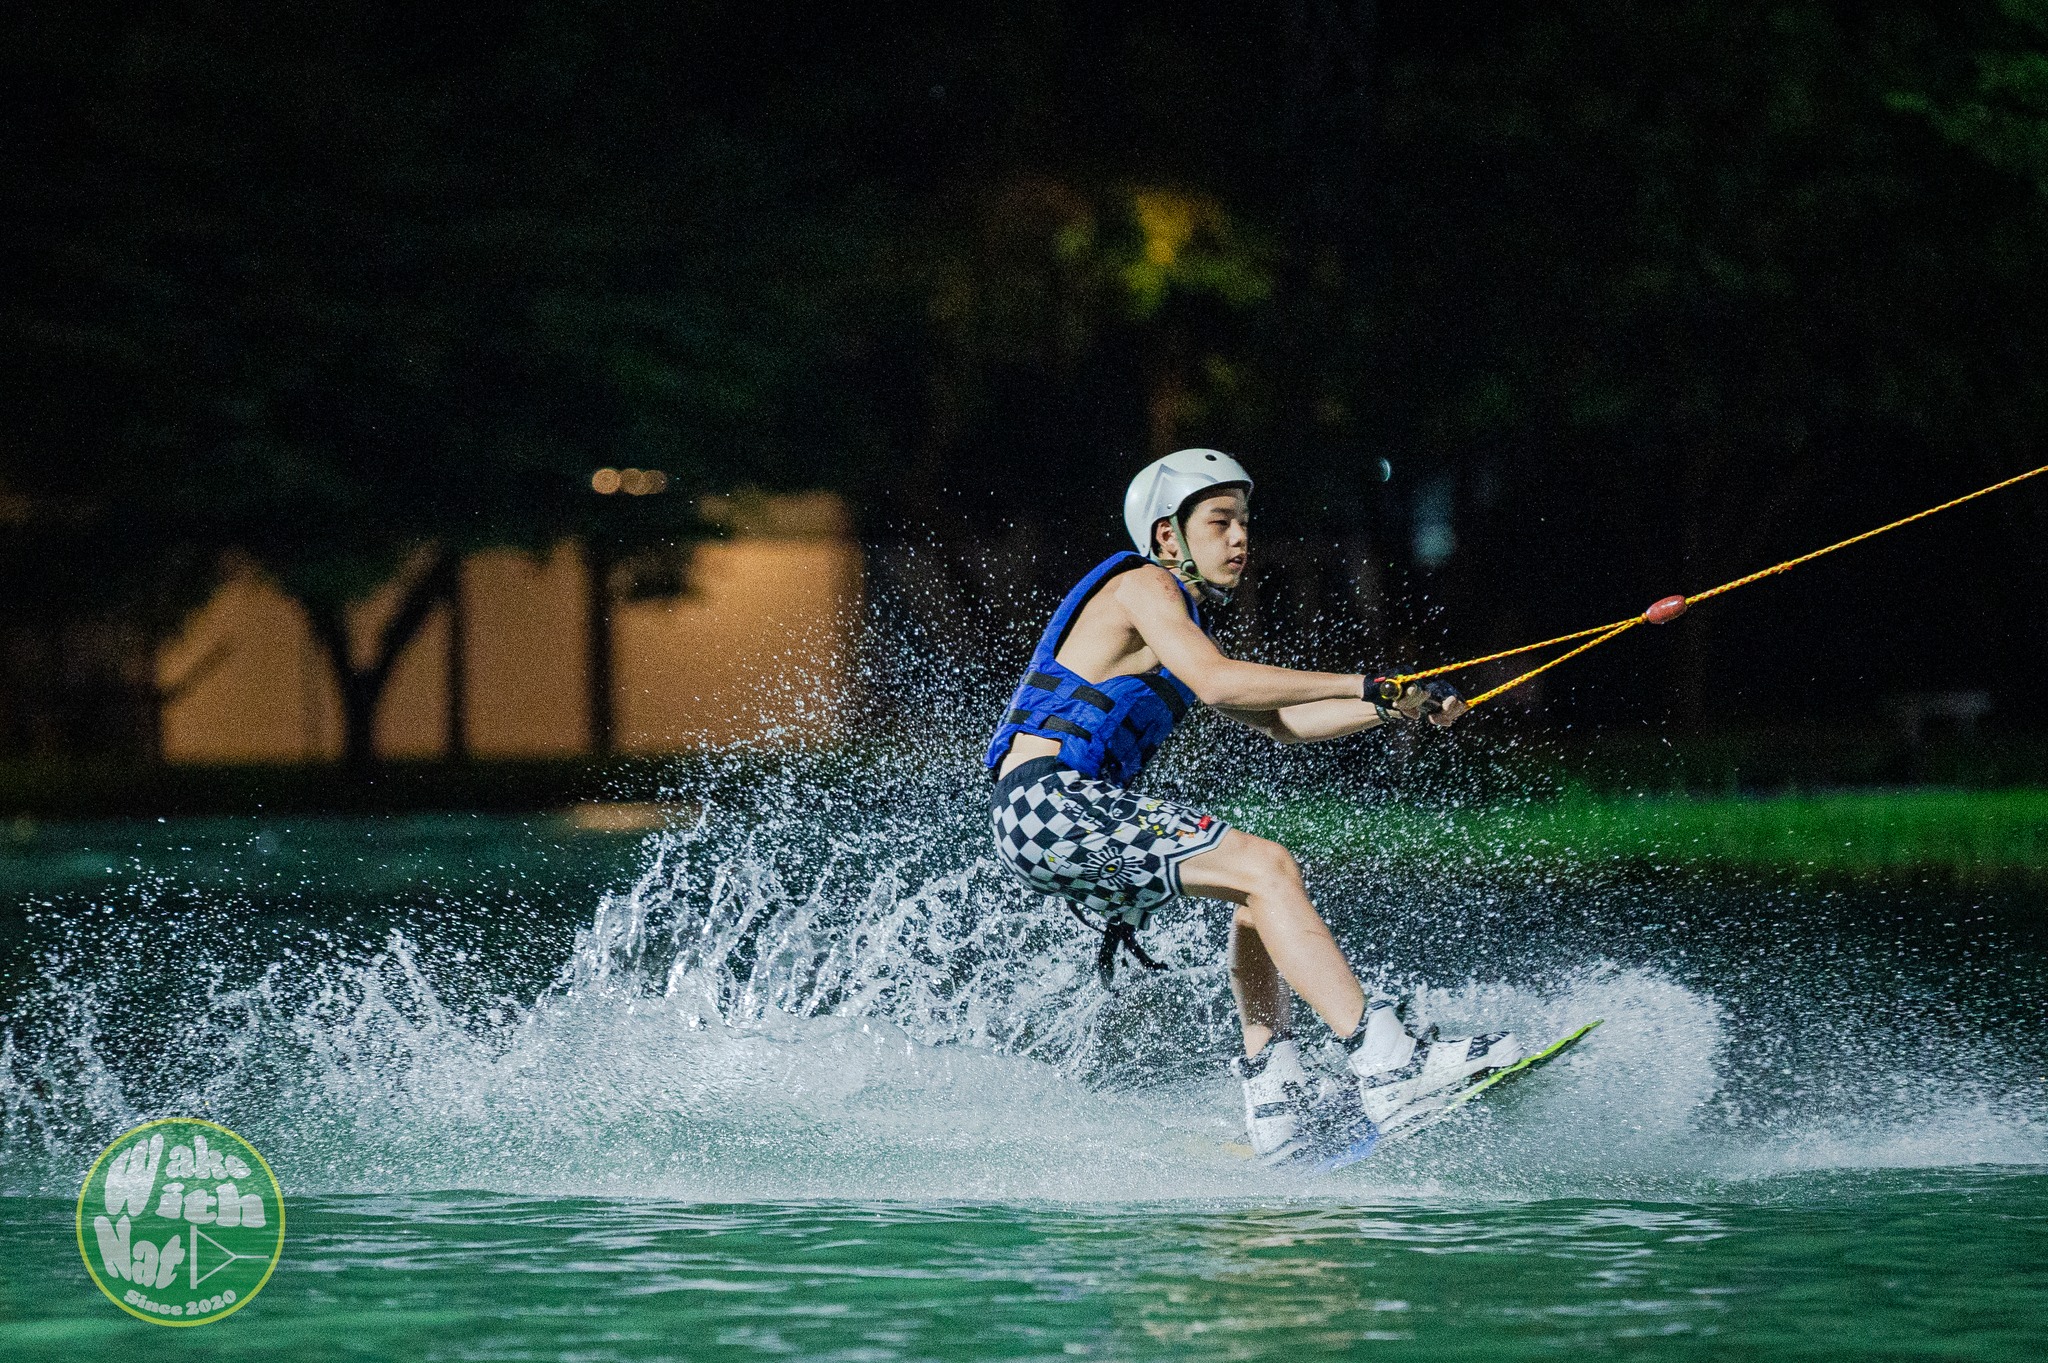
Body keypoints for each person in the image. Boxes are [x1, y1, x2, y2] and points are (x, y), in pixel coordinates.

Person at [986, 449, 1521, 1164]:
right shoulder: (1141, 584)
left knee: (1258, 897)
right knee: (1266, 865)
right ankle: (1389, 1064)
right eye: (1220, 521)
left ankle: (1277, 1095)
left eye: (1245, 521)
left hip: (1053, 814)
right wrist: (1363, 680)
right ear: (1169, 537)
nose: (1240, 537)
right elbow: (1216, 682)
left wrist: (1396, 708)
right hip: (1047, 800)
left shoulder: (1181, 621)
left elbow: (1283, 723)